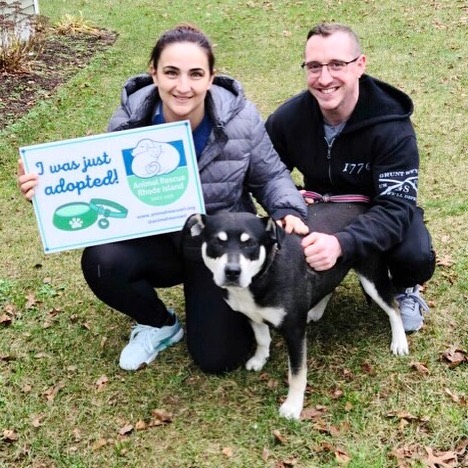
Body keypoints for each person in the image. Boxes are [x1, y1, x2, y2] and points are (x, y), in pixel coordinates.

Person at [18, 24, 309, 373]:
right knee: (102, 262)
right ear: (153, 72)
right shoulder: (131, 120)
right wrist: (49, 193)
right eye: (171, 72)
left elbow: (272, 175)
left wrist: (288, 208)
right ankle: (158, 323)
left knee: (220, 359)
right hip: (156, 238)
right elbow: (103, 186)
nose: (183, 86)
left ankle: (213, 305)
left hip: (218, 245)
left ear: (211, 77)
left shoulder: (240, 118)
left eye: (195, 74)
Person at [266, 22, 436, 333]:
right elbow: (265, 172)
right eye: (314, 66)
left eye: (336, 65)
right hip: (324, 208)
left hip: (380, 207)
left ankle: (404, 287)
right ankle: (327, 282)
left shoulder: (392, 126)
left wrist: (341, 244)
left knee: (414, 254)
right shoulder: (287, 119)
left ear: (360, 65)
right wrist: (287, 201)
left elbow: (396, 208)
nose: (325, 78)